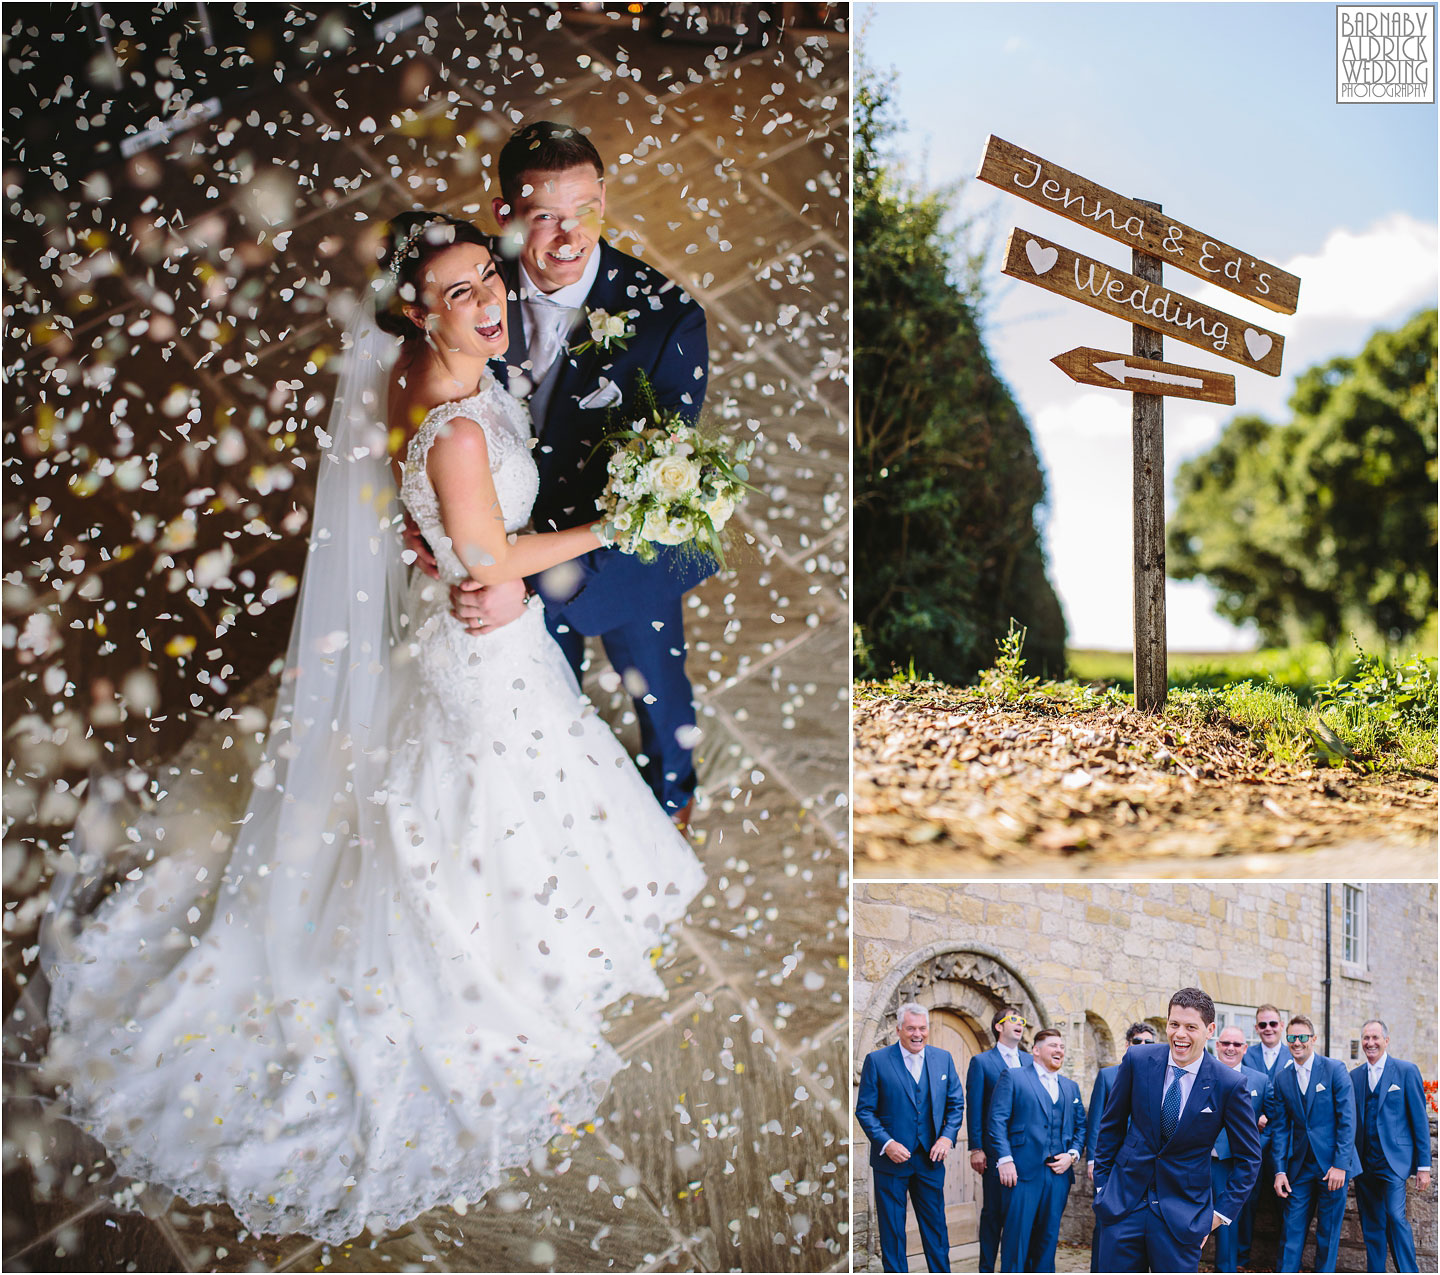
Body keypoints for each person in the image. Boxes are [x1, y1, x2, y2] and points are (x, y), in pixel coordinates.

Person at [40, 214, 706, 1244]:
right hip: (484, 646)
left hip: (459, 626)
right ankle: (496, 954)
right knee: (493, 788)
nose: (489, 302)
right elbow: (489, 563)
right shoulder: (461, 425)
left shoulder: (405, 369)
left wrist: (437, 542)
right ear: (414, 309)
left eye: (488, 277)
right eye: (458, 293)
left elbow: (423, 515)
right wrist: (627, 518)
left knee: (486, 781)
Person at [433, 121, 712, 829]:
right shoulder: (473, 292)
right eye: (544, 217)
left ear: (604, 199)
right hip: (506, 539)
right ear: (503, 217)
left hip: (619, 560)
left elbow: (658, 496)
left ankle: (671, 797)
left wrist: (518, 582)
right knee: (545, 691)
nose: (569, 237)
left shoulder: (667, 323)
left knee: (657, 682)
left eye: (585, 210)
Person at [1092, 988, 1261, 1273]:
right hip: (1122, 1207)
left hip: (1182, 1218)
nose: (1179, 1034)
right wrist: (1102, 1188)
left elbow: (1250, 1159)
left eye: (1190, 1027)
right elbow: (1110, 1127)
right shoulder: (1137, 1060)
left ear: (1209, 1030)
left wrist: (1218, 1216)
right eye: (1174, 1025)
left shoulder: (1229, 1084)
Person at [856, 1002, 966, 1272]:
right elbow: (865, 1110)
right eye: (911, 1029)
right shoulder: (878, 1061)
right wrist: (887, 1143)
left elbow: (956, 1104)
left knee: (936, 1227)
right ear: (898, 1030)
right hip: (891, 1162)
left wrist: (946, 1138)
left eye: (922, 1028)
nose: (918, 1034)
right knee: (892, 1230)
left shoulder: (943, 1059)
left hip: (930, 1160)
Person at [1268, 1012, 1361, 1272]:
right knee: (1291, 1231)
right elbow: (1280, 1129)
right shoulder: (1282, 1078)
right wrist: (1279, 1170)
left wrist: (1341, 1165)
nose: (1297, 1042)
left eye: (1302, 1037)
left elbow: (1347, 1120)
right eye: (1292, 1037)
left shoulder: (1334, 1069)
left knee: (1328, 1234)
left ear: (1313, 1039)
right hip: (1299, 1169)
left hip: (1332, 1167)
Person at [988, 1028, 1085, 1273]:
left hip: (1058, 1176)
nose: (1059, 1050)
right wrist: (1005, 1159)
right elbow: (997, 1120)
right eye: (1053, 1045)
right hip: (1021, 1174)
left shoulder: (1070, 1087)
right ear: (1036, 1050)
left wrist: (1072, 1155)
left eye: (1062, 1047)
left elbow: (1081, 1126)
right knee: (1016, 1240)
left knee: (1048, 1240)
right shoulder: (1014, 1076)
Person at [1350, 1019, 1431, 1272]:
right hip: (1365, 1162)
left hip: (1394, 1162)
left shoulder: (1406, 1071)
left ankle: (1408, 1271)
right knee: (1371, 1224)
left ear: (1386, 1041)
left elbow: (1419, 1121)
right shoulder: (1354, 1076)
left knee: (1396, 1218)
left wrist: (1424, 1166)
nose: (1370, 1043)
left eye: (1375, 1038)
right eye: (1366, 1038)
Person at [967, 1007, 1035, 1273]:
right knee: (993, 1214)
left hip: (1027, 1153)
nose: (1020, 1024)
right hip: (995, 1152)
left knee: (1021, 1215)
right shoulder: (982, 1062)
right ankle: (986, 1267)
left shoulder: (1031, 1061)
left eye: (1022, 1021)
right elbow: (974, 1107)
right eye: (1013, 1020)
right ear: (999, 1026)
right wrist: (976, 1148)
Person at [1085, 1022, 1155, 1272]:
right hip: (1111, 1163)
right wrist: (1093, 1162)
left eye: (1148, 1042)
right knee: (1105, 1223)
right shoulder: (1108, 1075)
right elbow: (1096, 1121)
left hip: (1142, 1165)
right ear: (1127, 1045)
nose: (1142, 1046)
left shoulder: (1158, 1076)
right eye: (1137, 1042)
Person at [1210, 1026, 1272, 1273]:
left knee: (1227, 1221)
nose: (1230, 1048)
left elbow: (1273, 1124)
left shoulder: (1260, 1080)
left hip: (1233, 1162)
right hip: (1200, 1159)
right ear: (1217, 1045)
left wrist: (1251, 1153)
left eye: (1237, 1044)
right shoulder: (1203, 1072)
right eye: (1225, 1043)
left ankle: (1226, 1269)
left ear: (1245, 1048)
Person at [1239, 1003, 1287, 1268]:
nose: (1268, 1028)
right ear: (1256, 1029)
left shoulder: (1294, 1054)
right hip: (1253, 1141)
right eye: (1262, 1024)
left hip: (1284, 1143)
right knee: (1246, 1202)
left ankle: (1284, 1264)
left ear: (1281, 1026)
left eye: (1273, 1023)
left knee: (1285, 1205)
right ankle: (1241, 1259)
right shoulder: (1248, 1055)